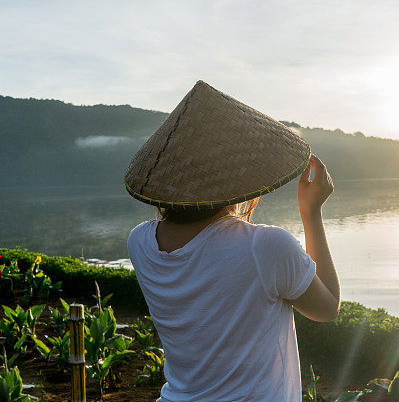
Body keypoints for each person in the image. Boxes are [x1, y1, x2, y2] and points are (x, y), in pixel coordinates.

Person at [124, 81, 339, 401]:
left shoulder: (140, 242)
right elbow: (327, 307)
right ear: (239, 177)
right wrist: (311, 213)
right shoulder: (265, 247)